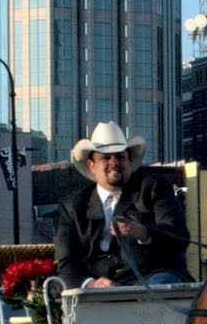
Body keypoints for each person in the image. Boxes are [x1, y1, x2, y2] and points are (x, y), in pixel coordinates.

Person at [53, 120, 191, 289]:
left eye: (120, 156)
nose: (114, 162)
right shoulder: (73, 206)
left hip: (153, 278)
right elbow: (66, 261)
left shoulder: (153, 187)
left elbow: (179, 235)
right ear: (92, 165)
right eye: (106, 157)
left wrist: (142, 232)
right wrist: (91, 284)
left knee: (159, 286)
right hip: (99, 288)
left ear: (129, 161)